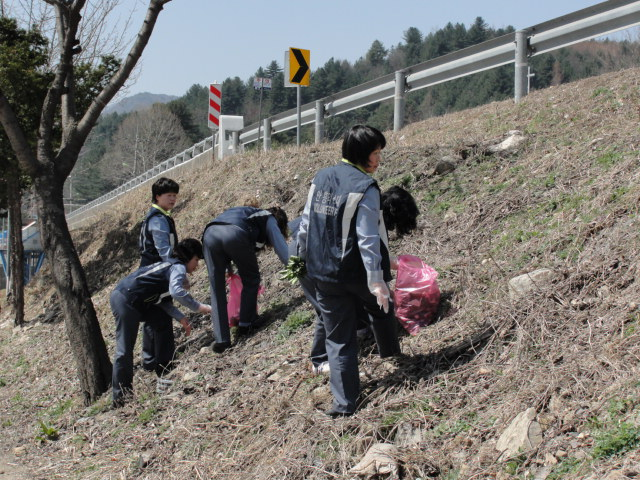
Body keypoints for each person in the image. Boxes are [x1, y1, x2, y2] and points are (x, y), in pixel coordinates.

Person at [296, 125, 400, 418]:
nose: (379, 159)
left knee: (339, 338)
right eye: (376, 153)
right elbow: (368, 238)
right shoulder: (365, 187)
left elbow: (306, 224)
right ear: (362, 154)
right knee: (382, 306)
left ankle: (343, 406)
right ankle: (392, 354)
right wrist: (377, 280)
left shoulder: (321, 178)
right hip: (354, 272)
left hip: (323, 274)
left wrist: (304, 258)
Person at [289, 186, 419, 376]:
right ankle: (320, 360)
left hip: (315, 247)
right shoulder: (369, 216)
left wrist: (399, 267)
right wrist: (384, 288)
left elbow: (370, 257)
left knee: (349, 294)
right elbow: (368, 252)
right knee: (327, 306)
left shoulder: (368, 208)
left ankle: (359, 330)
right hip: (310, 251)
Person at [111, 238, 211, 407]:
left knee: (161, 318)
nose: (197, 265)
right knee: (124, 349)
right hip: (126, 300)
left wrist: (180, 317)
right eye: (196, 260)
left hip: (138, 300)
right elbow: (176, 291)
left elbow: (161, 301)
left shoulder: (170, 266)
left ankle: (164, 370)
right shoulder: (177, 267)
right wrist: (200, 307)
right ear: (187, 258)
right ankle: (121, 398)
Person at [202, 206, 289, 353]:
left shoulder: (247, 214)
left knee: (216, 288)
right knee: (251, 278)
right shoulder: (269, 218)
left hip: (209, 235)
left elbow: (223, 235)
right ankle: (246, 323)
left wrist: (227, 269)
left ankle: (221, 339)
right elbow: (281, 248)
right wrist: (295, 267)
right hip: (234, 233)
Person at [138, 177, 180, 374]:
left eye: (174, 195)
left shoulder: (157, 217)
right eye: (168, 195)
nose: (173, 199)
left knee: (151, 317)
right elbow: (165, 250)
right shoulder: (158, 220)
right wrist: (176, 271)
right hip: (156, 273)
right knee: (160, 317)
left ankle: (150, 359)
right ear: (157, 196)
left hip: (150, 272)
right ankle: (162, 363)